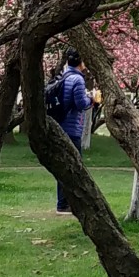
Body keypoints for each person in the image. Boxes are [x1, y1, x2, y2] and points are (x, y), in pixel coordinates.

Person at [47, 51, 91, 213]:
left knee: (65, 166)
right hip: (72, 129)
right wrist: (91, 99)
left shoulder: (63, 77)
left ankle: (62, 203)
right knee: (74, 166)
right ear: (80, 63)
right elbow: (80, 104)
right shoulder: (78, 79)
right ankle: (67, 203)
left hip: (60, 126)